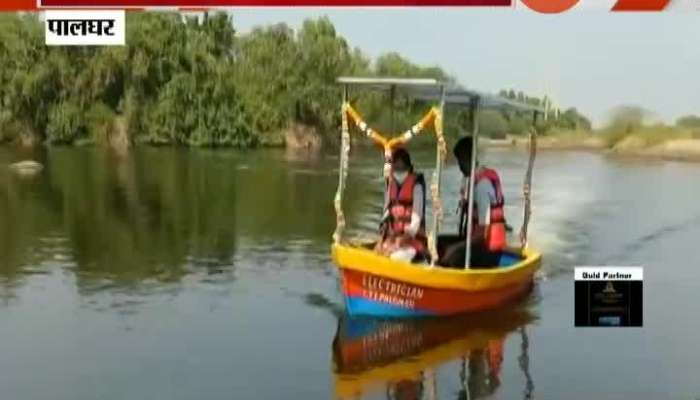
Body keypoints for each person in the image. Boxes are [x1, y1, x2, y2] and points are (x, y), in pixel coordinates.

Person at [440, 136, 506, 268]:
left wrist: (455, 249)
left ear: (467, 159)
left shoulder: (482, 186)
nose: (459, 167)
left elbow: (482, 234)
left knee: (453, 256)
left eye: (459, 162)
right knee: (440, 242)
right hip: (477, 242)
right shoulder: (472, 180)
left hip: (488, 250)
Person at [374, 147, 427, 263]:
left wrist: (401, 242)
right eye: (396, 168)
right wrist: (380, 242)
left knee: (393, 258)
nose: (399, 171)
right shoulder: (390, 185)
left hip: (412, 242)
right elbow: (385, 218)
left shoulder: (416, 186)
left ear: (409, 168)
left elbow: (416, 223)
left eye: (402, 168)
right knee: (377, 254)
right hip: (393, 239)